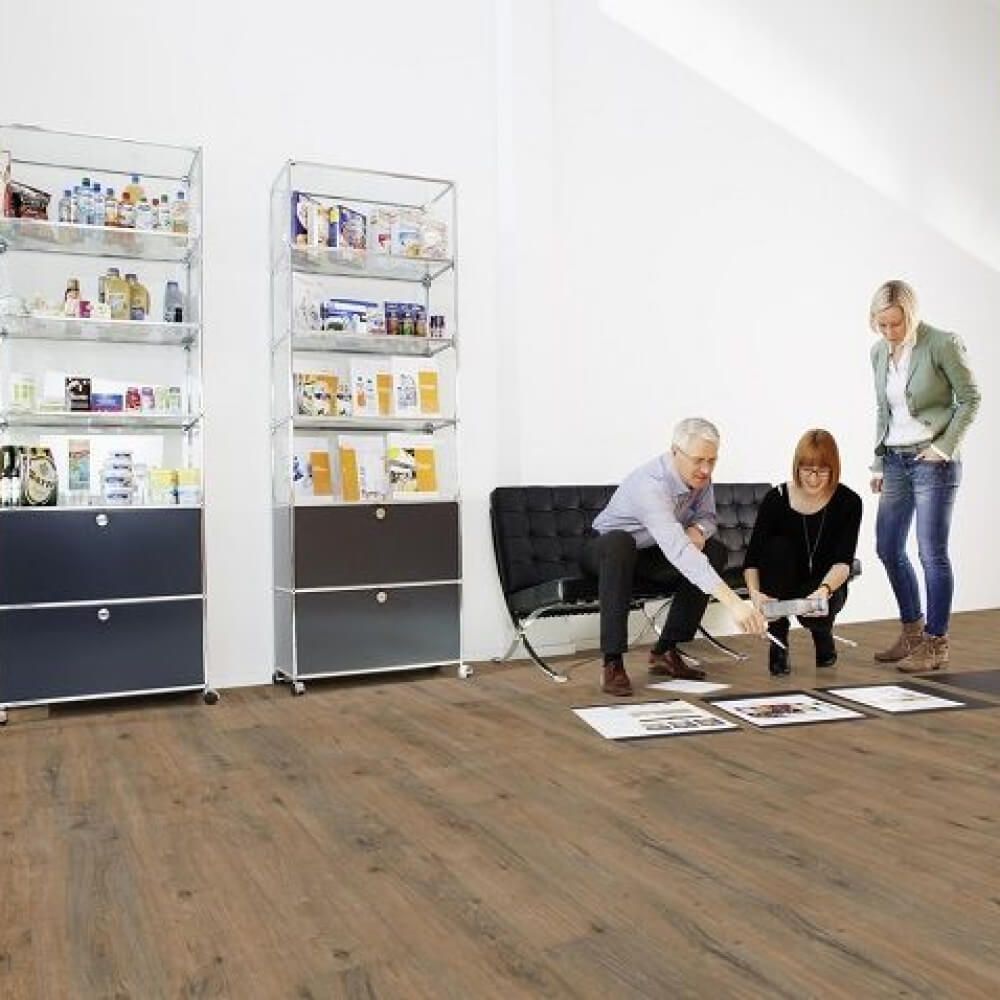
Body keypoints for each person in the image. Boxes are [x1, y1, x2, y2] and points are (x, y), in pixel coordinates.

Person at [581, 417, 768, 697]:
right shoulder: (650, 485)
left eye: (712, 460)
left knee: (714, 549)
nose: (706, 469)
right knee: (621, 543)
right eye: (698, 460)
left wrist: (698, 530)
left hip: (648, 554)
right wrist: (734, 603)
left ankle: (666, 651)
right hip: (605, 552)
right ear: (675, 452)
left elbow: (708, 518)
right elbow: (678, 550)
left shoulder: (701, 478)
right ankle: (612, 662)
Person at [868, 280, 981, 672]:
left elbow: (971, 399)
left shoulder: (942, 343)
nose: (889, 332)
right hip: (895, 460)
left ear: (912, 315)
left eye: (896, 324)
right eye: (881, 324)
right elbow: (883, 411)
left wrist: (943, 448)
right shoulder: (878, 352)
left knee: (931, 553)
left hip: (934, 461)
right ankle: (912, 632)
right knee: (887, 547)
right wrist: (879, 462)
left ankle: (936, 643)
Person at [743, 430, 862, 675]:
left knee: (817, 614)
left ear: (834, 469)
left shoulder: (849, 502)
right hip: (782, 584)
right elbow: (752, 560)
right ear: (796, 467)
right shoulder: (776, 498)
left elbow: (843, 562)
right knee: (776, 548)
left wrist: (824, 591)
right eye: (807, 470)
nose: (813, 478)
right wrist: (754, 594)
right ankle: (778, 642)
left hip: (824, 585)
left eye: (822, 471)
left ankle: (822, 633)